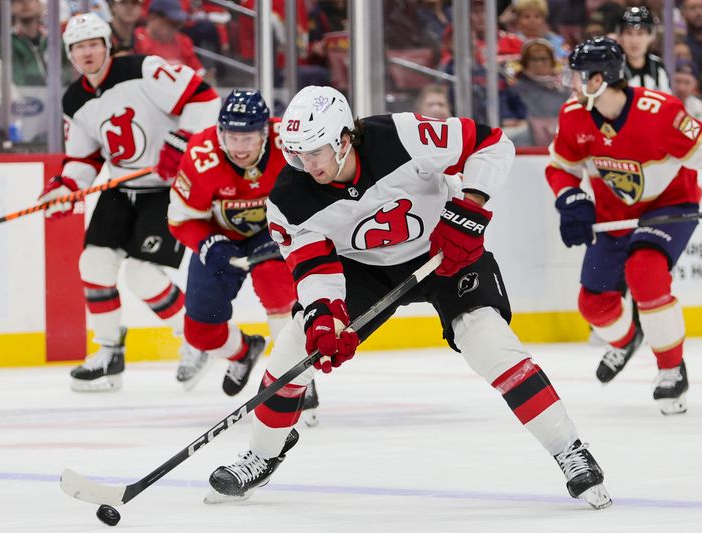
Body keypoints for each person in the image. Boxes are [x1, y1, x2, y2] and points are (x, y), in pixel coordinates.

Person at [203, 85, 612, 511]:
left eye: (316, 151)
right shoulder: (289, 198)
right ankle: (262, 454)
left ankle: (570, 449)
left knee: (489, 341)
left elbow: (491, 144)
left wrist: (469, 211)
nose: (306, 164)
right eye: (297, 153)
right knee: (294, 346)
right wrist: (324, 319)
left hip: (446, 250)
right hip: (362, 270)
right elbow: (312, 268)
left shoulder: (403, 135)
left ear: (344, 139)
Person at [546, 37, 702, 415]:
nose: (571, 82)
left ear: (598, 80)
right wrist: (571, 200)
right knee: (594, 304)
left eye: (577, 75)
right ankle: (626, 340)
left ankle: (672, 369)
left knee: (645, 271)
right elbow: (561, 168)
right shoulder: (573, 115)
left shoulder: (660, 112)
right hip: (614, 215)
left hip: (669, 206)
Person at [37, 12, 220, 391]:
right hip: (121, 188)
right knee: (94, 263)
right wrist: (64, 187)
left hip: (167, 189)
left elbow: (202, 95)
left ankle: (195, 342)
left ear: (107, 46)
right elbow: (84, 159)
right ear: (70, 55)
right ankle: (109, 352)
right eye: (78, 47)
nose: (87, 53)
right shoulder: (74, 99)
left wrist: (181, 142)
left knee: (141, 273)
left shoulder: (144, 69)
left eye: (93, 44)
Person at [167, 89, 318, 417]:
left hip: (274, 231)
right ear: (220, 132)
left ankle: (295, 375)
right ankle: (243, 351)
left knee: (274, 285)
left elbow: (318, 195)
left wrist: (291, 230)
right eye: (232, 136)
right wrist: (209, 244)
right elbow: (180, 219)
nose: (239, 147)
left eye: (247, 137)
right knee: (200, 330)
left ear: (265, 131)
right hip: (219, 236)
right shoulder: (201, 154)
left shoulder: (290, 144)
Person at [618, 6, 670, 92]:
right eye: (628, 33)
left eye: (640, 33)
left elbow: (667, 101)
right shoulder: (613, 68)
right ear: (620, 36)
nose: (634, 41)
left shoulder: (658, 67)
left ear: (651, 36)